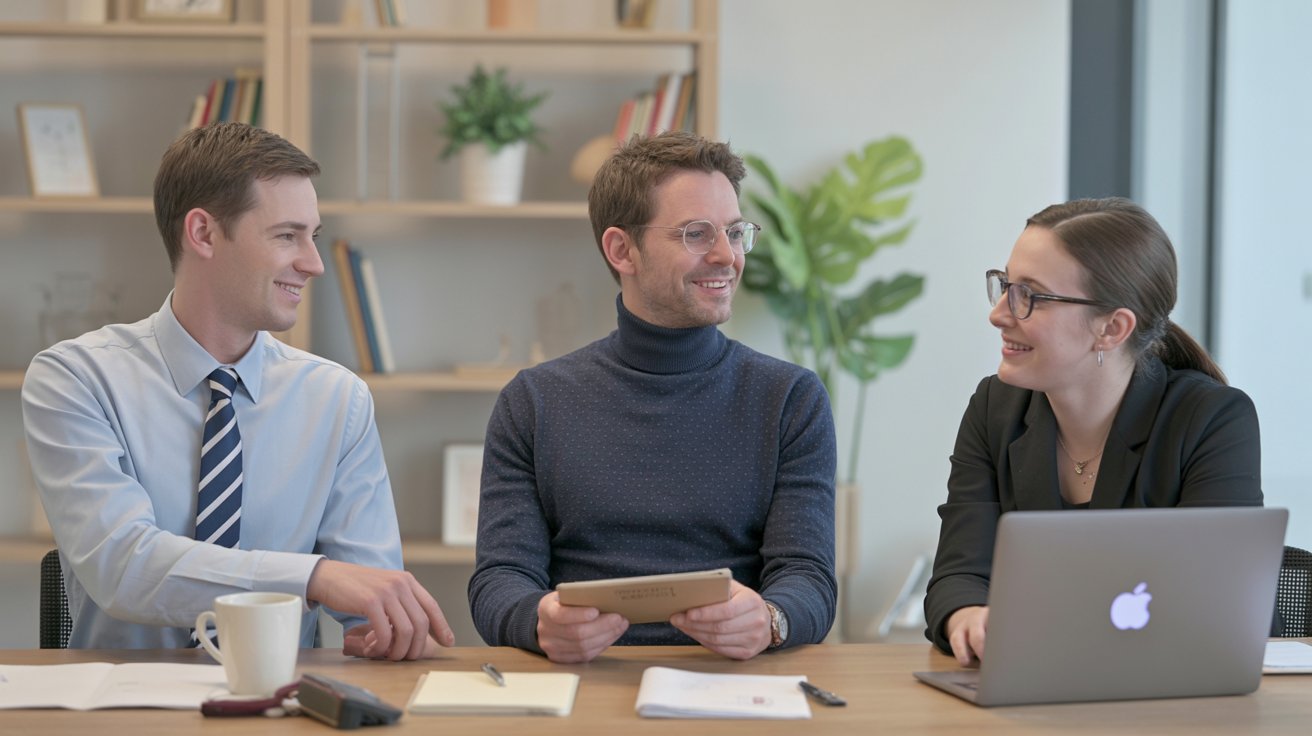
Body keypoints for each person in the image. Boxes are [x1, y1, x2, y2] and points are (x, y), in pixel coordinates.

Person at [22, 122, 454, 659]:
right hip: (122, 709)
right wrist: (312, 577)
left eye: (312, 237)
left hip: (279, 704)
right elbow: (122, 565)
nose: (313, 263)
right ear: (203, 233)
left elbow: (367, 591)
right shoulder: (76, 379)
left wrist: (385, 626)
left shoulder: (337, 399)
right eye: (286, 235)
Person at [467, 131, 838, 663]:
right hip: (583, 682)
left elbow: (808, 579)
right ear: (622, 250)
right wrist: (537, 622)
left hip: (733, 686)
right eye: (695, 234)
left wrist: (770, 620)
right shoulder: (534, 401)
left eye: (735, 233)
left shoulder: (789, 399)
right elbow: (500, 580)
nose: (725, 256)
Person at [924, 197, 1263, 665]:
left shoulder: (1211, 420)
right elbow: (959, 574)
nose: (1000, 313)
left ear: (1112, 328)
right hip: (1036, 690)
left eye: (1031, 296)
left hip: (1177, 699)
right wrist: (966, 618)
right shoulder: (994, 409)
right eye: (1005, 285)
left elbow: (1229, 607)